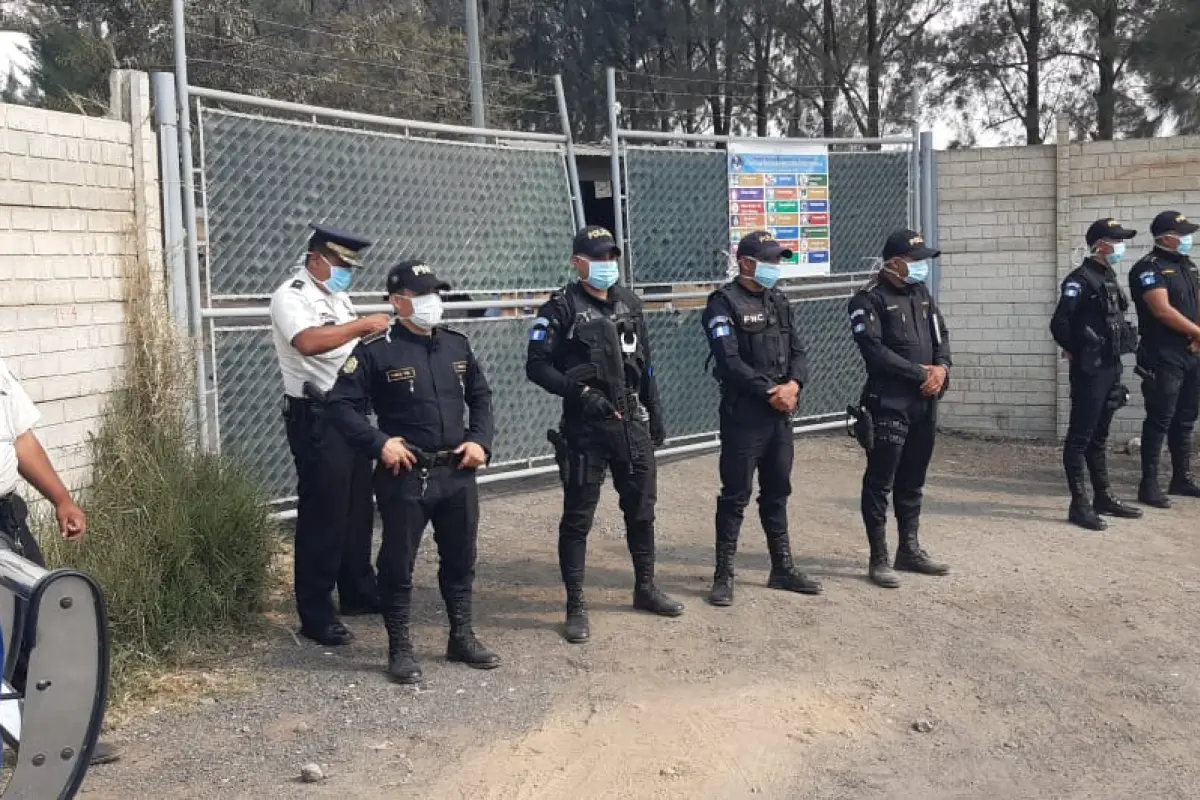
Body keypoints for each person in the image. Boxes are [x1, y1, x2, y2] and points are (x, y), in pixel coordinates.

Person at [326, 260, 500, 684]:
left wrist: (481, 441)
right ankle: (400, 649)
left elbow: (481, 397)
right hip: (406, 474)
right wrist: (379, 443)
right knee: (398, 563)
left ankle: (461, 637)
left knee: (461, 559)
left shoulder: (457, 345)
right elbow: (340, 406)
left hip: (457, 471)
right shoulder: (376, 350)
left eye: (435, 293)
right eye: (422, 295)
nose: (431, 303)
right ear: (397, 301)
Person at [526, 226, 683, 644]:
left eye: (612, 256)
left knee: (642, 510)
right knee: (579, 518)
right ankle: (576, 604)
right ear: (577, 262)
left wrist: (656, 413)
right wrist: (579, 393)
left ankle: (645, 587)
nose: (607, 265)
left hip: (630, 422)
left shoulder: (629, 302)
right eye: (597, 258)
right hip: (585, 428)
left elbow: (645, 363)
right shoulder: (559, 308)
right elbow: (536, 366)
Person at [268, 223, 390, 646]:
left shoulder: (336, 296)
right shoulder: (292, 296)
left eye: (350, 266)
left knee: (358, 507)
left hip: (349, 412)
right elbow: (307, 342)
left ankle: (357, 589)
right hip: (316, 414)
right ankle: (316, 612)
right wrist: (361, 327)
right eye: (340, 263)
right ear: (316, 257)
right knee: (324, 513)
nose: (345, 272)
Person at [0, 357, 118, 765]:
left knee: (36, 622)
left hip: (5, 519)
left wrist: (62, 498)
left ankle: (54, 742)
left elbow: (21, 441)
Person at [700, 231, 822, 607]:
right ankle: (723, 575)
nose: (776, 267)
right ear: (746, 263)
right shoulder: (722, 304)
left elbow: (798, 350)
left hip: (780, 416)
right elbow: (729, 361)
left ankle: (781, 568)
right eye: (770, 261)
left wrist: (795, 385)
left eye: (778, 260)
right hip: (745, 415)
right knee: (735, 494)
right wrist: (771, 392)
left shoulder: (779, 301)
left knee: (778, 491)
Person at [847, 229, 951, 589]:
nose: (922, 267)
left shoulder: (920, 293)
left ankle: (909, 548)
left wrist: (941, 369)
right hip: (889, 401)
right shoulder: (868, 300)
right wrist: (918, 373)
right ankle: (879, 558)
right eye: (915, 260)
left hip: (924, 401)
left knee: (913, 480)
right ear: (894, 263)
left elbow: (942, 336)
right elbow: (874, 352)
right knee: (880, 482)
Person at [1049, 218, 1143, 530]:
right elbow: (1060, 323)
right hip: (1091, 370)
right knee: (1080, 438)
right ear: (1100, 245)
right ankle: (1079, 504)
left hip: (1111, 365)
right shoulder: (1080, 279)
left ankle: (1103, 496)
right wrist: (1076, 348)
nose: (1120, 247)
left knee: (1100, 436)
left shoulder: (1108, 276)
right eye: (1116, 241)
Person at [1128, 210, 1200, 508]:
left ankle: (1181, 478)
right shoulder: (1149, 268)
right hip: (1163, 354)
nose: (1188, 239)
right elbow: (1162, 310)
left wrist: (1197, 335)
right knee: (1160, 419)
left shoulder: (1188, 266)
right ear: (1167, 237)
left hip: (1192, 351)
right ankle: (1149, 484)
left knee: (1185, 418)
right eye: (1183, 234)